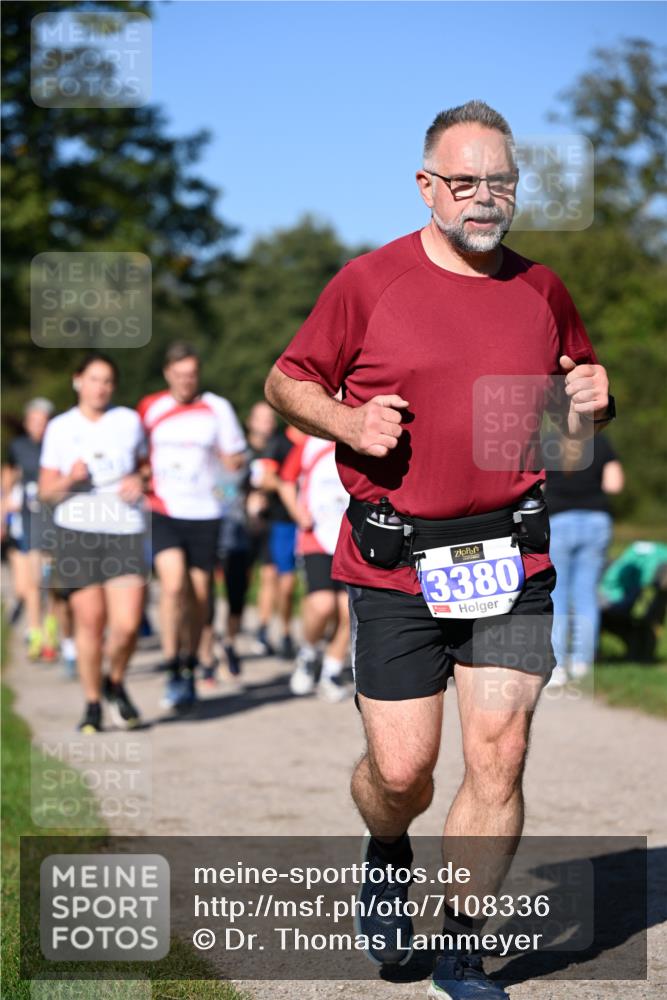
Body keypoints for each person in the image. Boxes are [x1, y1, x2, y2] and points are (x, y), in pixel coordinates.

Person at [265, 101, 614, 999]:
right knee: (401, 771)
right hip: (396, 564)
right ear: (426, 186)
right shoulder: (368, 282)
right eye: (464, 182)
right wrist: (347, 421)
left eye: (500, 181)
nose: (483, 197)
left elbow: (570, 419)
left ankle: (461, 948)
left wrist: (588, 403)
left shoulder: (542, 290)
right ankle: (387, 848)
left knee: (498, 751)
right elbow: (285, 381)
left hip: (510, 560)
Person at [38, 354, 147, 733]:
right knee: (90, 623)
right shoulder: (60, 427)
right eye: (94, 379)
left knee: (127, 625)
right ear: (78, 381)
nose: (100, 387)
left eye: (107, 381)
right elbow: (45, 492)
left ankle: (114, 681)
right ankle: (92, 704)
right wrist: (69, 479)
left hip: (125, 528)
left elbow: (145, 465)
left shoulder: (128, 420)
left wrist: (139, 479)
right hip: (76, 531)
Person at [137, 342, 246, 711]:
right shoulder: (151, 407)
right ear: (168, 373)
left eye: (192, 375)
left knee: (199, 594)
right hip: (164, 508)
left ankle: (190, 662)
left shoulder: (217, 408)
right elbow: (137, 454)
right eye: (180, 374)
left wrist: (232, 463)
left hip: (205, 511)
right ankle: (172, 665)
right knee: (172, 586)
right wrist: (140, 475)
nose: (186, 381)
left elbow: (235, 457)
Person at [278, 433, 352, 701]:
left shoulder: (360, 436)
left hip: (350, 538)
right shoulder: (310, 442)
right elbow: (286, 480)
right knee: (322, 605)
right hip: (316, 537)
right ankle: (308, 654)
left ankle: (331, 670)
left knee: (348, 610)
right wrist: (297, 512)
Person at [545, 433, 624, 684]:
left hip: (558, 521)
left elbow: (538, 485)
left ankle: (557, 666)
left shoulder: (547, 443)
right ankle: (582, 663)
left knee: (557, 594)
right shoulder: (600, 442)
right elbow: (614, 485)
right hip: (596, 521)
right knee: (586, 593)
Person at [2, 397, 58, 661]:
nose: (39, 426)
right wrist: (3, 513)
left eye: (43, 421)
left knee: (53, 583)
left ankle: (51, 631)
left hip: (55, 518)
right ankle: (35, 633)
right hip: (30, 518)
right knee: (33, 582)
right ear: (26, 423)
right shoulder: (18, 447)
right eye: (34, 421)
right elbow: (8, 479)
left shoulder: (57, 444)